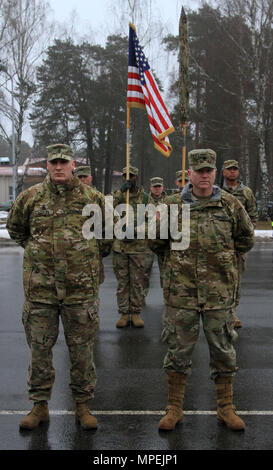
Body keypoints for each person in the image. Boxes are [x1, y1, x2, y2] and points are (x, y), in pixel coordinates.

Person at [149, 149, 254, 432]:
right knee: (177, 352)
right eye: (199, 171)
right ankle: (174, 407)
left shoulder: (230, 205)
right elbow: (155, 241)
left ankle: (226, 407)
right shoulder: (171, 206)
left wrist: (222, 265)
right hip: (181, 295)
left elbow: (245, 239)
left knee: (223, 351)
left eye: (209, 170)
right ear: (190, 174)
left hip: (219, 295)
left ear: (214, 172)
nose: (204, 175)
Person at [7, 144, 110, 431]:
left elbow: (106, 239)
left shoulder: (93, 199)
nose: (58, 167)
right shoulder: (31, 197)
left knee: (82, 351)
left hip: (80, 292)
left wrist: (85, 258)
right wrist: (38, 253)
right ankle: (39, 406)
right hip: (41, 291)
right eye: (53, 163)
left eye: (63, 162)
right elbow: (17, 230)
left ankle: (83, 406)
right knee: (39, 349)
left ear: (73, 164)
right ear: (47, 166)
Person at [222, 160, 258, 328]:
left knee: (236, 279)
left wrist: (244, 239)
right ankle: (220, 312)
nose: (232, 172)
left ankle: (233, 312)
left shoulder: (247, 193)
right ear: (223, 172)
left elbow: (253, 217)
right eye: (229, 170)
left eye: (235, 169)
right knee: (220, 278)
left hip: (238, 246)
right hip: (220, 244)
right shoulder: (218, 192)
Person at [112, 166, 149, 328]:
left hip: (138, 247)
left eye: (132, 176)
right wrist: (120, 192)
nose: (129, 178)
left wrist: (136, 231)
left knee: (137, 281)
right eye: (125, 176)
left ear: (137, 177)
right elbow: (105, 210)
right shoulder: (118, 196)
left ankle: (135, 312)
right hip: (120, 247)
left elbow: (153, 222)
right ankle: (124, 313)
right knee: (122, 281)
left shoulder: (145, 198)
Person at [74, 165, 110, 285]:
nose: (82, 180)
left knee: (91, 289)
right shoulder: (66, 197)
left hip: (92, 253)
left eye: (85, 177)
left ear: (91, 178)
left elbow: (109, 225)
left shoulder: (97, 198)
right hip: (71, 255)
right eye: (80, 177)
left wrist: (102, 249)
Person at [143, 177, 167, 298]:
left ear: (162, 187)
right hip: (149, 239)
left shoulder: (168, 201)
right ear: (150, 187)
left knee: (165, 270)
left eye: (159, 186)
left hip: (164, 240)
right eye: (155, 187)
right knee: (145, 269)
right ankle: (142, 296)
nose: (157, 189)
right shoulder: (145, 201)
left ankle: (166, 296)